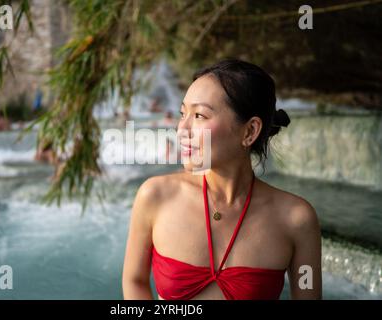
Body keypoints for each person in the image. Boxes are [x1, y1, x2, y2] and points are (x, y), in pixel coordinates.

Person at [122, 59, 322, 300]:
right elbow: (135, 280)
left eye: (199, 115)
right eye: (183, 113)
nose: (181, 130)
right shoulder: (155, 196)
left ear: (249, 131)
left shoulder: (296, 219)